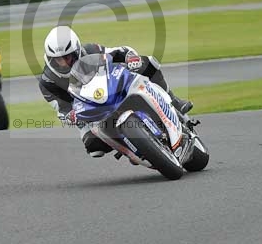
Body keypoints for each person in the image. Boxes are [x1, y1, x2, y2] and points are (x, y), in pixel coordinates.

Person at [38, 25, 193, 158]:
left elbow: (119, 52)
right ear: (50, 59)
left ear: (77, 51)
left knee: (148, 64)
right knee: (94, 147)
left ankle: (174, 101)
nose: (64, 63)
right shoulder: (48, 82)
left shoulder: (90, 50)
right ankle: (134, 149)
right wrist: (69, 116)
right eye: (58, 59)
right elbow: (62, 108)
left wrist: (130, 58)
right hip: (86, 111)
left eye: (68, 57)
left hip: (109, 88)